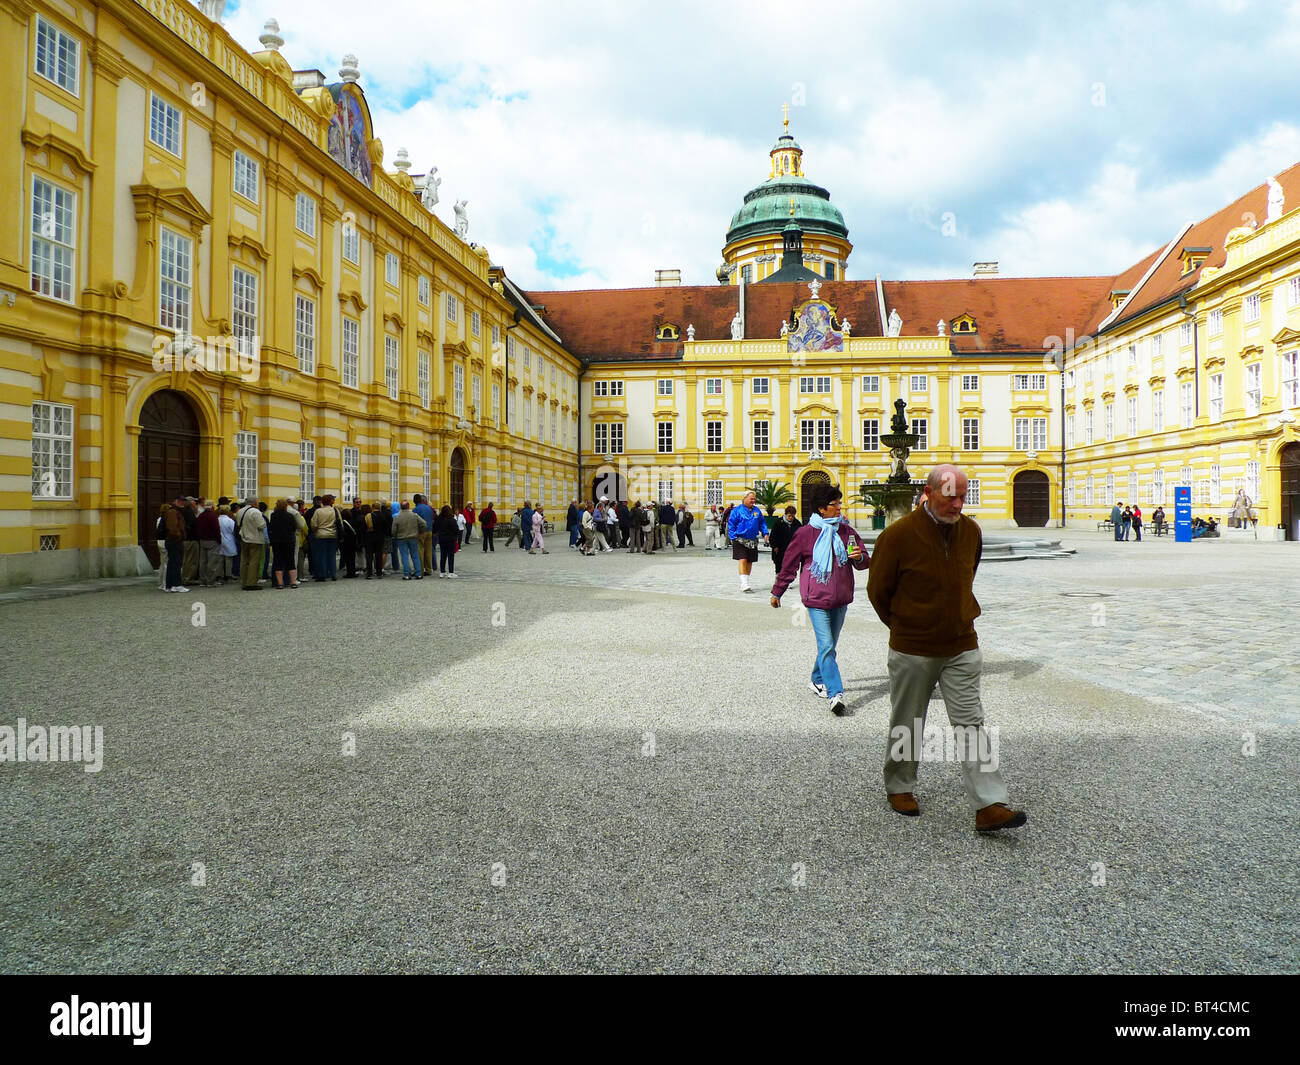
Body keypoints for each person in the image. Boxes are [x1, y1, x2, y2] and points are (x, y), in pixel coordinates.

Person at [866, 464, 1026, 833]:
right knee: (908, 721)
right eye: (950, 496)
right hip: (912, 647)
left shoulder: (970, 531)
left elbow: (967, 574)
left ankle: (988, 804)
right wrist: (905, 625)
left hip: (961, 645)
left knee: (972, 723)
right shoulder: (898, 535)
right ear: (928, 492)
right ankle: (900, 785)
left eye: (962, 497)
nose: (957, 504)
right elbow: (878, 592)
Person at [770, 484, 870, 718]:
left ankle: (816, 679)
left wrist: (860, 557)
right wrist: (777, 592)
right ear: (821, 509)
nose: (839, 508)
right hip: (816, 599)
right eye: (834, 504)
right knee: (826, 646)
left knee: (829, 646)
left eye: (839, 503)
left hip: (841, 598)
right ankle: (836, 694)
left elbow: (864, 562)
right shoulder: (805, 534)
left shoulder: (847, 532)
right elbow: (789, 566)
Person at [727, 490, 769, 592]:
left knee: (750, 561)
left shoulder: (757, 511)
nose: (753, 500)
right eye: (751, 498)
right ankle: (744, 583)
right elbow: (731, 525)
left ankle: (745, 581)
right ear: (744, 498)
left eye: (754, 499)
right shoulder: (737, 511)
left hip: (752, 539)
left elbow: (762, 523)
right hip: (739, 539)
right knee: (743, 559)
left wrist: (765, 533)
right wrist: (733, 537)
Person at [267, 498, 302, 588]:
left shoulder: (273, 515)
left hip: (277, 541)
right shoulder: (290, 516)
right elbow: (294, 527)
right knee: (290, 561)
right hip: (289, 540)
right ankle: (293, 582)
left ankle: (280, 583)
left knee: (278, 560)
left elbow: (271, 528)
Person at [235, 497, 266, 590]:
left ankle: (244, 581)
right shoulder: (255, 512)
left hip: (244, 537)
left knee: (244, 561)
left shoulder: (240, 511)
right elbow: (262, 525)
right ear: (255, 503)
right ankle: (251, 583)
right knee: (254, 561)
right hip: (255, 539)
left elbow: (237, 523)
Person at [392, 500, 427, 580]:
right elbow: (424, 524)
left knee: (404, 556)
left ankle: (407, 574)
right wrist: (420, 532)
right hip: (413, 537)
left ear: (401, 507)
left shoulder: (397, 517)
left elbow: (393, 530)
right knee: (415, 556)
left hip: (401, 538)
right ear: (408, 506)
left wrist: (396, 536)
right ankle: (418, 573)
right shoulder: (414, 515)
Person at [310, 495, 341, 580]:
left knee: (321, 556)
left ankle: (321, 575)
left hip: (320, 535)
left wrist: (316, 531)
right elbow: (339, 523)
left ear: (322, 502)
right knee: (331, 555)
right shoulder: (335, 510)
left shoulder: (318, 511)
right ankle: (333, 574)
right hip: (332, 534)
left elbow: (313, 524)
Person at [162, 496, 188, 592]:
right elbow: (172, 527)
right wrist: (179, 536)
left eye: (183, 502)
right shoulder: (173, 511)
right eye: (181, 501)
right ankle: (176, 584)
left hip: (172, 540)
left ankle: (169, 585)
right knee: (176, 563)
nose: (182, 504)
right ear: (176, 501)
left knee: (172, 562)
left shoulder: (174, 511)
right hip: (174, 540)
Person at [195, 500, 222, 586]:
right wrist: (219, 540)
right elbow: (216, 529)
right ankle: (211, 581)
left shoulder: (201, 516)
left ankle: (202, 581)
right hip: (212, 540)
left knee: (203, 562)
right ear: (212, 507)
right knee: (212, 562)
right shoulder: (213, 516)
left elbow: (197, 527)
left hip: (202, 540)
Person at [768, 505, 801, 573]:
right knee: (779, 567)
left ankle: (786, 581)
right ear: (785, 514)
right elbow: (773, 536)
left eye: (792, 516)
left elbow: (800, 537)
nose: (791, 518)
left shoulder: (797, 524)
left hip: (792, 549)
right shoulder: (779, 522)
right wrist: (774, 546)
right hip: (780, 549)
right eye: (789, 516)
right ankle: (778, 580)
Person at [364, 500, 391, 579]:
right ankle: (379, 572)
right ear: (379, 508)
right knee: (378, 555)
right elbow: (386, 528)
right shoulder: (383, 516)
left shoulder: (368, 516)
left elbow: (364, 527)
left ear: (372, 508)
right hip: (380, 538)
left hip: (369, 537)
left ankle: (369, 573)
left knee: (369, 555)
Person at [414, 494, 436, 576]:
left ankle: (421, 569)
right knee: (428, 550)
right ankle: (429, 569)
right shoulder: (429, 508)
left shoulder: (416, 509)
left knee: (420, 550)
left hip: (421, 532)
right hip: (429, 531)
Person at [435, 504, 460, 576]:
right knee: (450, 556)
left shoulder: (439, 519)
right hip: (450, 540)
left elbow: (436, 527)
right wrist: (456, 536)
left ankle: (442, 572)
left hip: (442, 539)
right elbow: (456, 530)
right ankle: (451, 572)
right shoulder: (451, 520)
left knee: (443, 555)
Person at [217, 504, 238, 583]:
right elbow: (234, 530)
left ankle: (220, 575)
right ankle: (228, 575)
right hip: (229, 540)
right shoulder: (229, 520)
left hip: (220, 540)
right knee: (228, 559)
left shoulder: (217, 519)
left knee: (220, 559)